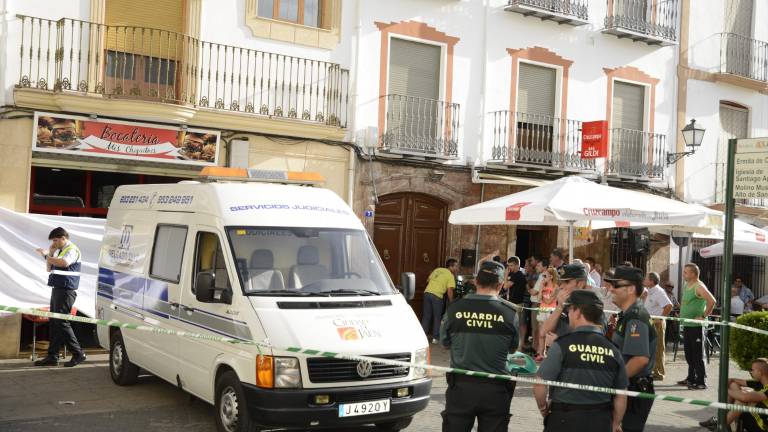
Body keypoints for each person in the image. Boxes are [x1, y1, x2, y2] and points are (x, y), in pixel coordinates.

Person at [440, 260, 519, 432]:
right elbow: (512, 349)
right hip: (495, 389)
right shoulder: (510, 314)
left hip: (461, 387)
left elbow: (445, 343)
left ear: (476, 281)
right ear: (500, 285)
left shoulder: (454, 309)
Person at [534, 290, 628, 432]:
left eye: (570, 310)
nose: (569, 315)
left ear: (577, 312)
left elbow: (540, 384)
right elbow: (621, 394)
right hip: (600, 420)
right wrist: (615, 423)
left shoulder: (562, 345)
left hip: (564, 419)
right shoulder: (614, 350)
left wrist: (544, 409)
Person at [607, 266, 657, 432]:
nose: (611, 289)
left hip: (633, 390)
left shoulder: (635, 316)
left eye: (616, 285)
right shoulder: (627, 314)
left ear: (630, 289)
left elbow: (640, 359)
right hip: (628, 386)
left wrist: (615, 381)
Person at [33, 227, 86, 367]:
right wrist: (50, 252)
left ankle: (78, 353)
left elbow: (64, 263)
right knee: (55, 322)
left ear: (63, 238)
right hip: (58, 289)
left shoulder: (72, 250)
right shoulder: (60, 251)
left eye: (56, 240)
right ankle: (52, 356)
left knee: (62, 322)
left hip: (66, 290)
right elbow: (48, 269)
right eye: (53, 241)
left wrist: (46, 255)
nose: (54, 243)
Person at [699, 358, 768, 431]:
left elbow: (744, 398)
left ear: (760, 373)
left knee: (741, 400)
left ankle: (721, 425)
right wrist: (728, 387)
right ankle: (721, 422)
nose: (751, 372)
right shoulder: (759, 382)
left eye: (752, 370)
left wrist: (724, 390)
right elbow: (732, 381)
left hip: (762, 425)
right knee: (733, 386)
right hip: (754, 416)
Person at [677, 263, 716, 390]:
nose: (684, 274)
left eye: (686, 272)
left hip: (697, 326)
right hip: (687, 325)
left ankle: (700, 381)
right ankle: (691, 378)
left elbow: (712, 301)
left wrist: (703, 316)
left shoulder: (699, 286)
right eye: (684, 272)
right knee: (689, 353)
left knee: (697, 354)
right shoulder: (687, 285)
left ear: (693, 274)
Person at [541, 263, 590, 348]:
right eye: (561, 282)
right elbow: (543, 332)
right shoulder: (566, 303)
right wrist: (560, 306)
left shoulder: (592, 306)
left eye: (566, 282)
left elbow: (590, 343)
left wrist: (561, 342)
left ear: (580, 284)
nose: (561, 286)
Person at [642, 272, 672, 381]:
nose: (644, 280)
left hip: (656, 323)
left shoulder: (659, 292)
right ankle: (652, 370)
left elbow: (669, 305)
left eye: (646, 278)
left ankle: (659, 373)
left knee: (658, 348)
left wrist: (660, 319)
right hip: (648, 322)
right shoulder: (649, 291)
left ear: (651, 281)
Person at [422, 258, 459, 344]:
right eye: (456, 266)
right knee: (437, 317)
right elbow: (450, 290)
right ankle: (435, 338)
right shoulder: (450, 276)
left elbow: (428, 280)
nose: (457, 268)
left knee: (426, 316)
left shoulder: (437, 269)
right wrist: (451, 301)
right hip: (437, 296)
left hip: (427, 293)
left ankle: (423, 336)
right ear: (451, 266)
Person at [535, 267, 559, 361]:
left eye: (545, 276)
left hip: (550, 311)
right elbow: (538, 299)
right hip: (542, 310)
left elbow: (549, 301)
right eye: (543, 275)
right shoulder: (543, 285)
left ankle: (550, 354)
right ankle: (541, 353)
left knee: (549, 333)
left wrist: (542, 297)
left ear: (551, 276)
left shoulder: (556, 287)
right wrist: (541, 289)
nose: (543, 277)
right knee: (541, 333)